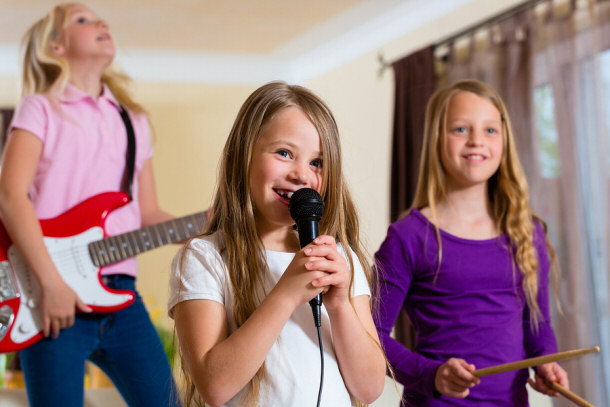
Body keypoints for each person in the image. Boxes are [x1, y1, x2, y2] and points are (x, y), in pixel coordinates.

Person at [0, 3, 181, 406]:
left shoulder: (131, 121)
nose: (101, 22)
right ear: (56, 46)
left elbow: (147, 213)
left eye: (99, 18)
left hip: (122, 295)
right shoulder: (41, 107)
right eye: (82, 20)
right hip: (52, 298)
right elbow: (10, 196)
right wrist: (50, 283)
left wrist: (208, 228)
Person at [168, 81, 386, 407]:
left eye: (317, 162)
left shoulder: (340, 258)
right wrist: (285, 295)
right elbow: (214, 386)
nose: (302, 175)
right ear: (243, 157)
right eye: (285, 153)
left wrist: (339, 304)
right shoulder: (205, 257)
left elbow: (369, 389)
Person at [373, 79, 569, 406]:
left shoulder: (527, 231)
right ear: (437, 139)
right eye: (461, 129)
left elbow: (538, 325)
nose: (477, 140)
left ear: (504, 141)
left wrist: (547, 360)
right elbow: (369, 337)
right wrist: (432, 375)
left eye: (490, 130)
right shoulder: (407, 237)